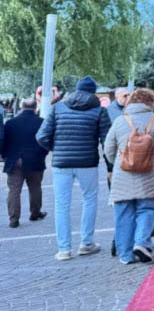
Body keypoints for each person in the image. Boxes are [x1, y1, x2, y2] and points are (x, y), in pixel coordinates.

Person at [37, 76, 111, 260]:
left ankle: (64, 249)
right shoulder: (98, 111)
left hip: (61, 163)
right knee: (89, 201)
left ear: (76, 90)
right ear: (93, 92)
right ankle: (86, 243)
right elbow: (107, 142)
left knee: (61, 205)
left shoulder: (57, 108)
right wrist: (111, 166)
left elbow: (42, 136)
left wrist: (58, 149)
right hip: (87, 162)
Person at [103, 88, 154, 264]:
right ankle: (141, 242)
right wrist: (150, 159)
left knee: (123, 213)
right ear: (150, 102)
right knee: (147, 209)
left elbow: (108, 150)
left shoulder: (119, 121)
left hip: (123, 175)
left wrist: (119, 161)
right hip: (148, 175)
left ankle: (125, 255)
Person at [2, 97, 49, 227]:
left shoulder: (10, 123)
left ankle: (13, 219)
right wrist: (42, 155)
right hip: (35, 160)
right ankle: (35, 213)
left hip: (14, 160)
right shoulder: (41, 122)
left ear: (22, 107)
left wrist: (7, 156)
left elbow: (4, 142)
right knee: (35, 188)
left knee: (14, 190)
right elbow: (46, 142)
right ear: (35, 107)